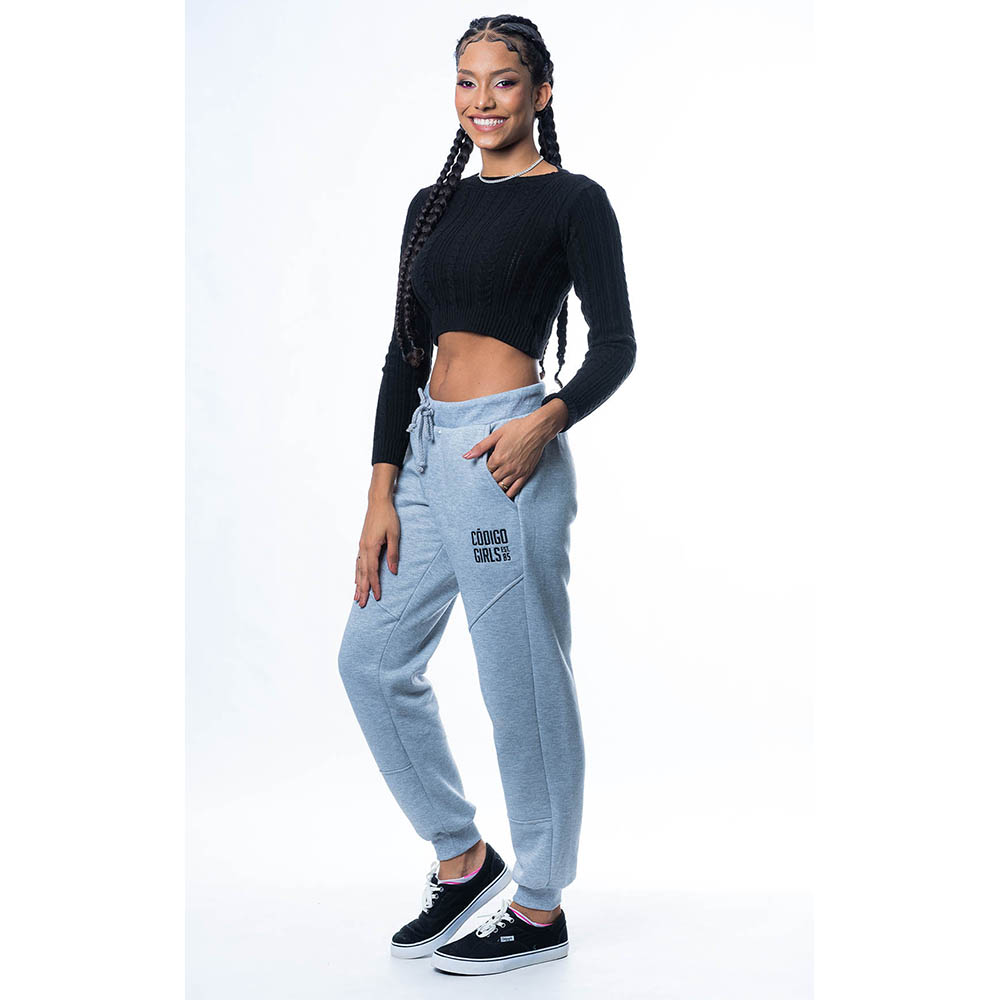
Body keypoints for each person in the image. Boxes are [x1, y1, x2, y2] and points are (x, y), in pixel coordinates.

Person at [337, 15, 636, 977]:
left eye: (503, 81)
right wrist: (381, 489)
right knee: (371, 660)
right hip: (427, 456)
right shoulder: (431, 207)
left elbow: (616, 346)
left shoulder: (573, 202)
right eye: (466, 82)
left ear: (540, 92)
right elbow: (403, 352)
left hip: (506, 454)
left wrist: (546, 421)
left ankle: (540, 905)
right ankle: (463, 860)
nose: (482, 101)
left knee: (523, 685)